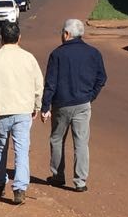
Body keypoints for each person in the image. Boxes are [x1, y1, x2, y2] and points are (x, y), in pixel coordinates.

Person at [0, 21, 43, 205]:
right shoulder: (29, 58)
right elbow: (38, 85)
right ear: (19, 38)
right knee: (22, 150)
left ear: (1, 38)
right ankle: (20, 188)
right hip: (23, 110)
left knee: (0, 148)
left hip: (0, 111)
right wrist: (37, 106)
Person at [40, 18, 107, 192]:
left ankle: (57, 176)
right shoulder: (93, 53)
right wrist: (90, 96)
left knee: (57, 139)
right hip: (83, 104)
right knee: (81, 143)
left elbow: (50, 83)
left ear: (67, 34)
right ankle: (80, 182)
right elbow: (101, 78)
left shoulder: (57, 54)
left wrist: (45, 106)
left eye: (63, 32)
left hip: (61, 105)